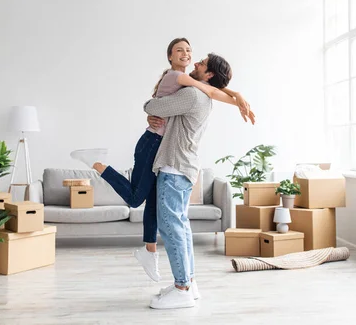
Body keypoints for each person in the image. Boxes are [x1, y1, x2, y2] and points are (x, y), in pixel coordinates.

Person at [92, 38, 254, 283]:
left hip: (165, 151)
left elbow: (207, 88)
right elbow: (163, 102)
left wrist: (236, 95)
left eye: (192, 53)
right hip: (154, 144)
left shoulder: (192, 91)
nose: (191, 57)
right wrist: (236, 96)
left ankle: (154, 256)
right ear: (169, 56)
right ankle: (101, 168)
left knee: (156, 208)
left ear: (207, 73)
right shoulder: (184, 83)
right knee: (139, 200)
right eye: (180, 50)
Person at [143, 53, 233, 309]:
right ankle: (188, 283)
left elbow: (153, 106)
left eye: (202, 63)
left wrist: (149, 108)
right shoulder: (203, 96)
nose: (195, 63)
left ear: (210, 75)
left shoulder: (192, 95)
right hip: (184, 168)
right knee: (181, 227)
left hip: (174, 167)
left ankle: (182, 287)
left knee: (171, 228)